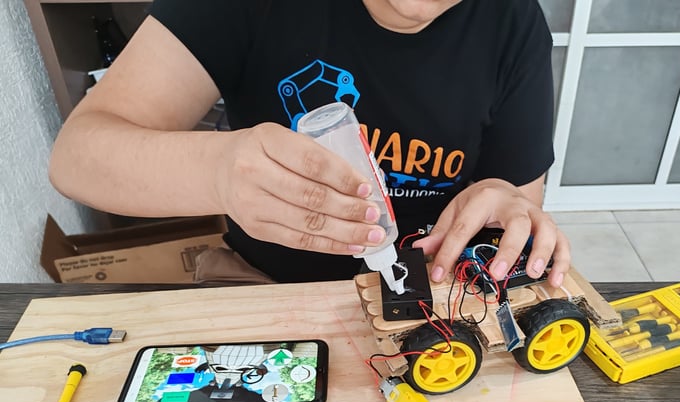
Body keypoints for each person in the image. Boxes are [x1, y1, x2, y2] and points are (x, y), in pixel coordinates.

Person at [49, 0, 570, 288]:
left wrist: (508, 202)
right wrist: (218, 171)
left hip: (434, 291)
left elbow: (518, 200)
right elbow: (78, 156)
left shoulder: (513, 22)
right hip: (267, 284)